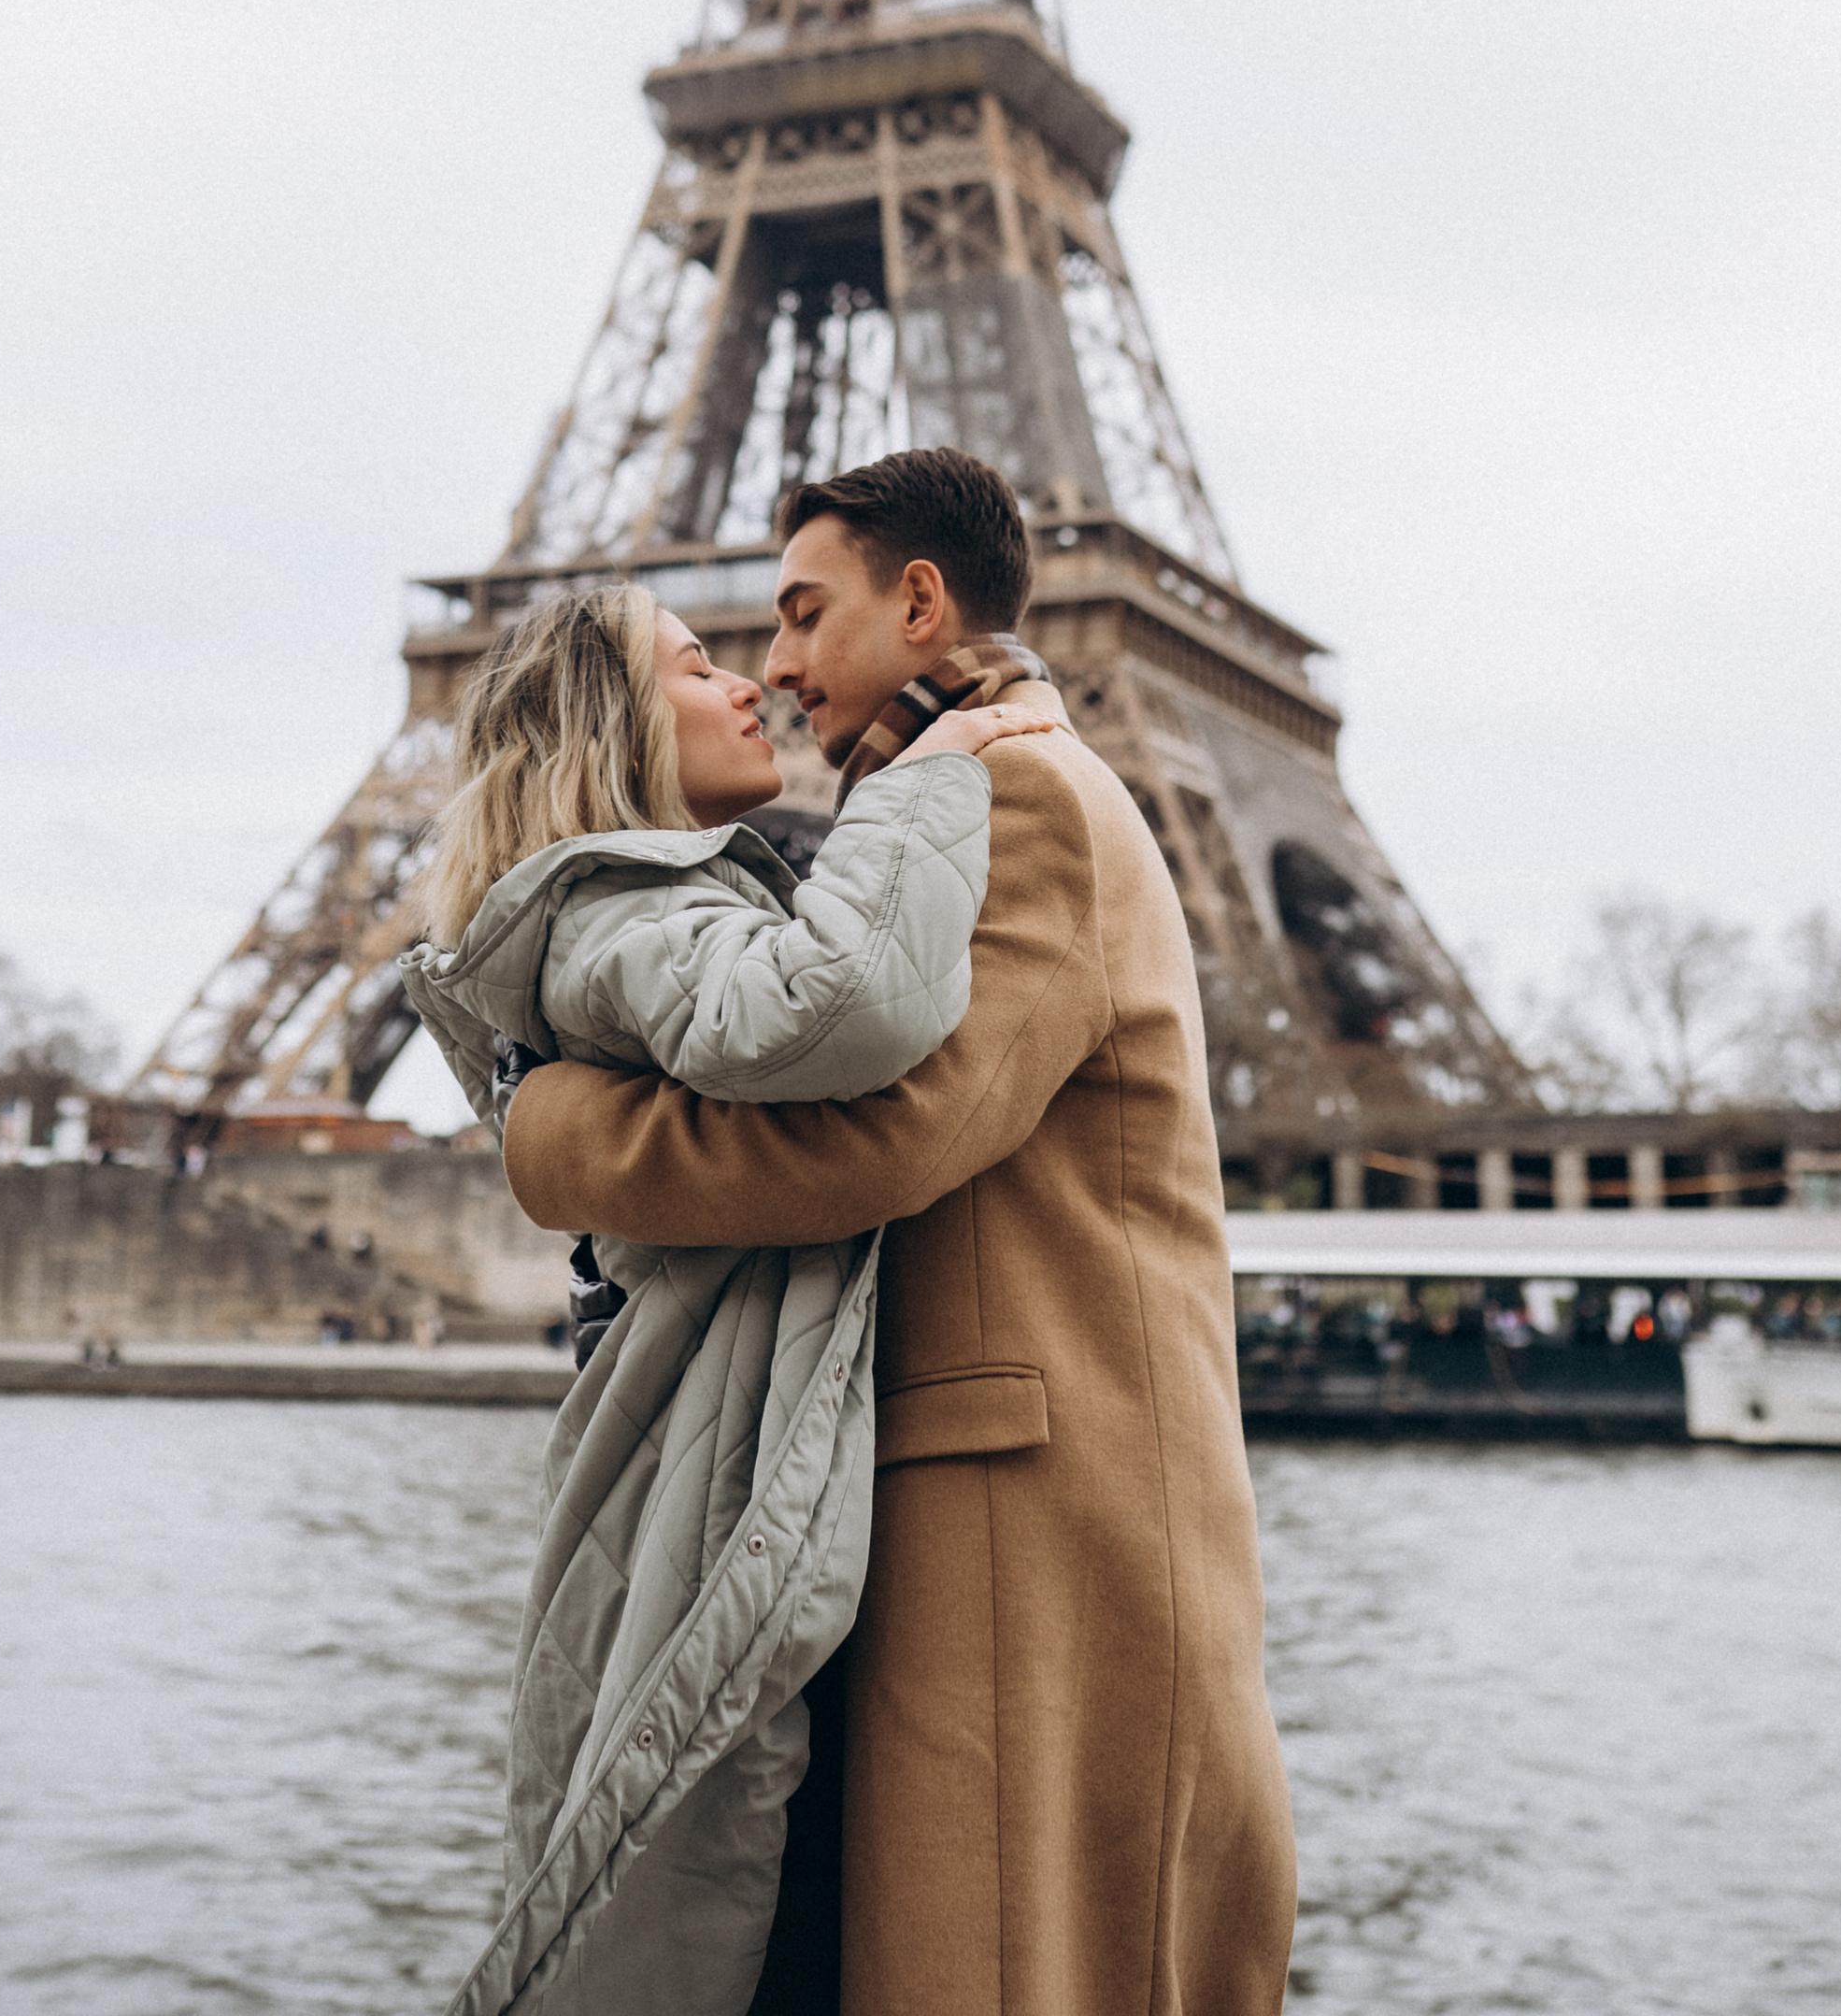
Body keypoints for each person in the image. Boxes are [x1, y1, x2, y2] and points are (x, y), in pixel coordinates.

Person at [502, 448, 1299, 2016]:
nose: (779, 661)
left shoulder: (1014, 791)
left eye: (805, 614)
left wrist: (552, 1134)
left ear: (921, 602)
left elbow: (885, 1138)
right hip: (996, 1488)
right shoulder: (943, 803)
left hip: (1032, 1501)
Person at [400, 579, 1055, 2016]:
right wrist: (923, 784)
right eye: (700, 667)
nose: (752, 680)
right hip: (710, 1486)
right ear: (611, 727)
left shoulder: (646, 914)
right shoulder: (623, 907)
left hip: (708, 1465)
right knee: (743, 1899)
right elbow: (838, 1012)